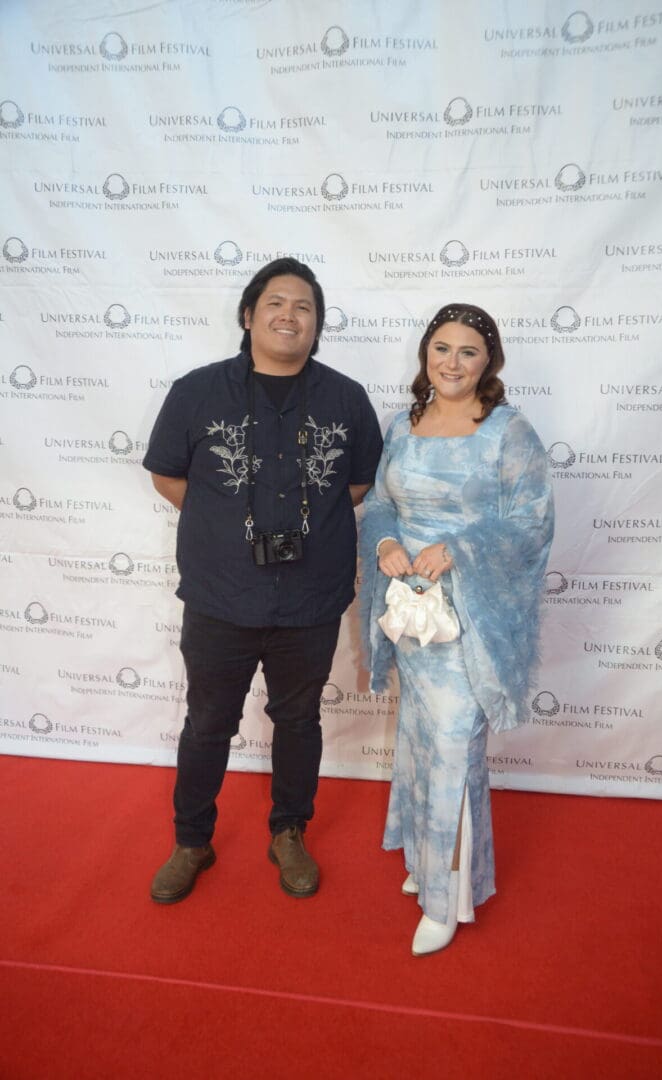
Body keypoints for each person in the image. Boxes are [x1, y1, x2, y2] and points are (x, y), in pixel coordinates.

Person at [144, 257, 382, 904]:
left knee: (298, 718)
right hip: (220, 595)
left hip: (310, 597)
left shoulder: (345, 398)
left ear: (316, 325)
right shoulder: (196, 391)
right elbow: (169, 476)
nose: (288, 316)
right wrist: (224, 524)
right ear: (248, 315)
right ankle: (191, 840)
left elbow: (355, 485)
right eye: (275, 303)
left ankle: (288, 832)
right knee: (207, 722)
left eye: (303, 307)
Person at [360, 303, 553, 955]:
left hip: (469, 618)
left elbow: (531, 524)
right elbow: (381, 502)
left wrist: (460, 549)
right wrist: (387, 541)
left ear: (488, 361)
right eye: (440, 348)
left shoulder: (507, 430)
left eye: (467, 351)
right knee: (417, 734)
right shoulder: (404, 422)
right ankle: (422, 863)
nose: (451, 362)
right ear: (424, 354)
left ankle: (448, 897)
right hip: (410, 611)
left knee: (451, 745)